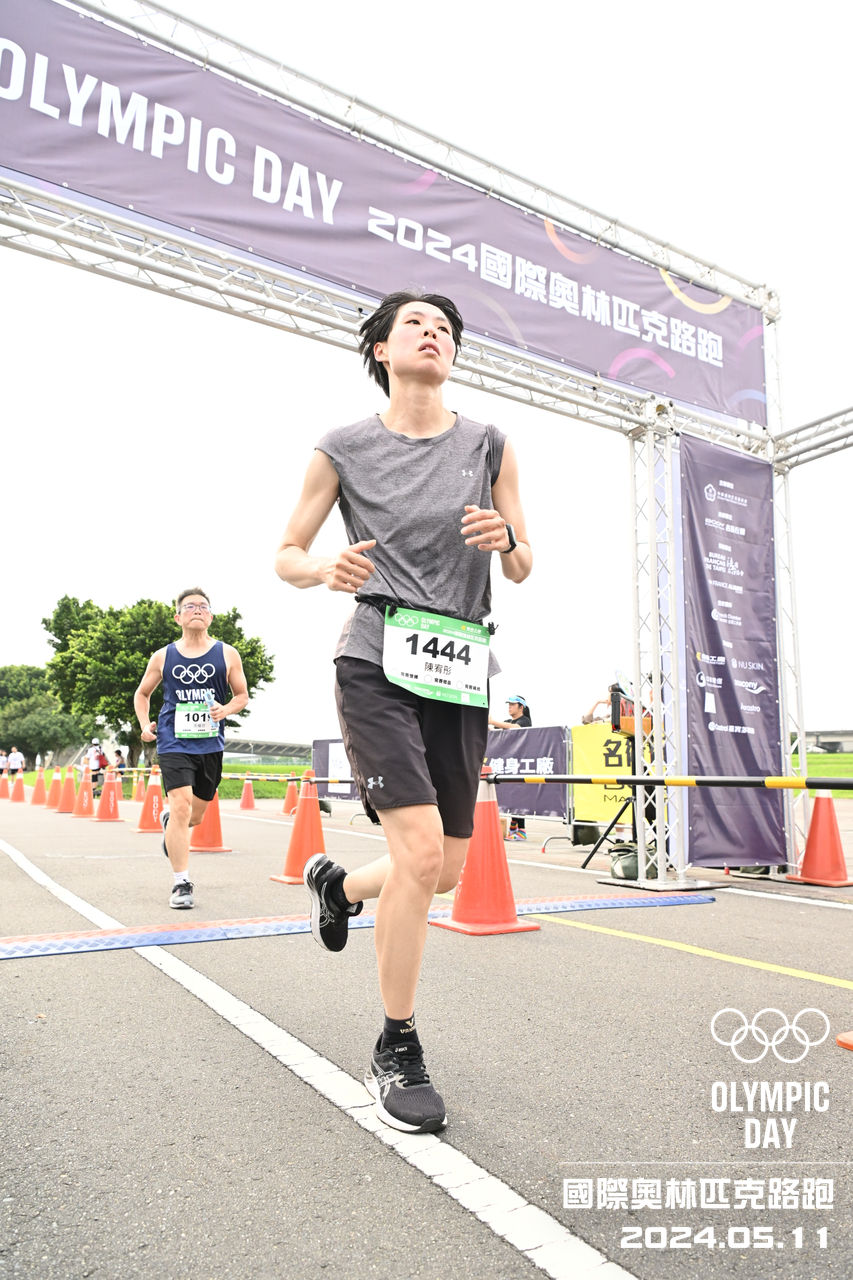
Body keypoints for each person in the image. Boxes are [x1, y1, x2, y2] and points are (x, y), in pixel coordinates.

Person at [275, 290, 531, 1134]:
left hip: (459, 664)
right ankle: (396, 1045)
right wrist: (323, 571)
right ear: (382, 349)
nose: (434, 334)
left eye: (445, 328)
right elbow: (286, 553)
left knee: (444, 870)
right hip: (376, 657)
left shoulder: (489, 444)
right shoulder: (342, 445)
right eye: (416, 323)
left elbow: (523, 561)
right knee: (418, 854)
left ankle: (339, 885)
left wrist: (507, 542)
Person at [133, 588, 249, 910]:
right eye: (189, 606)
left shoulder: (228, 654)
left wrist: (226, 709)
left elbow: (241, 695)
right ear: (178, 617)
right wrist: (144, 725)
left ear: (210, 616)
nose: (197, 610)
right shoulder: (163, 656)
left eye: (203, 606)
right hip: (173, 741)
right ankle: (181, 882)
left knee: (194, 816)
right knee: (181, 807)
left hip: (210, 744)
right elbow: (142, 694)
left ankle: (170, 822)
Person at [488, 696, 532, 838]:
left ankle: (522, 831)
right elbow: (494, 730)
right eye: (509, 704)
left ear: (521, 707)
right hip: (510, 763)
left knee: (519, 796)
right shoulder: (507, 721)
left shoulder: (525, 721)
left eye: (513, 705)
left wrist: (493, 721)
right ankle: (513, 828)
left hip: (521, 763)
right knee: (512, 795)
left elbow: (516, 728)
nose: (509, 707)